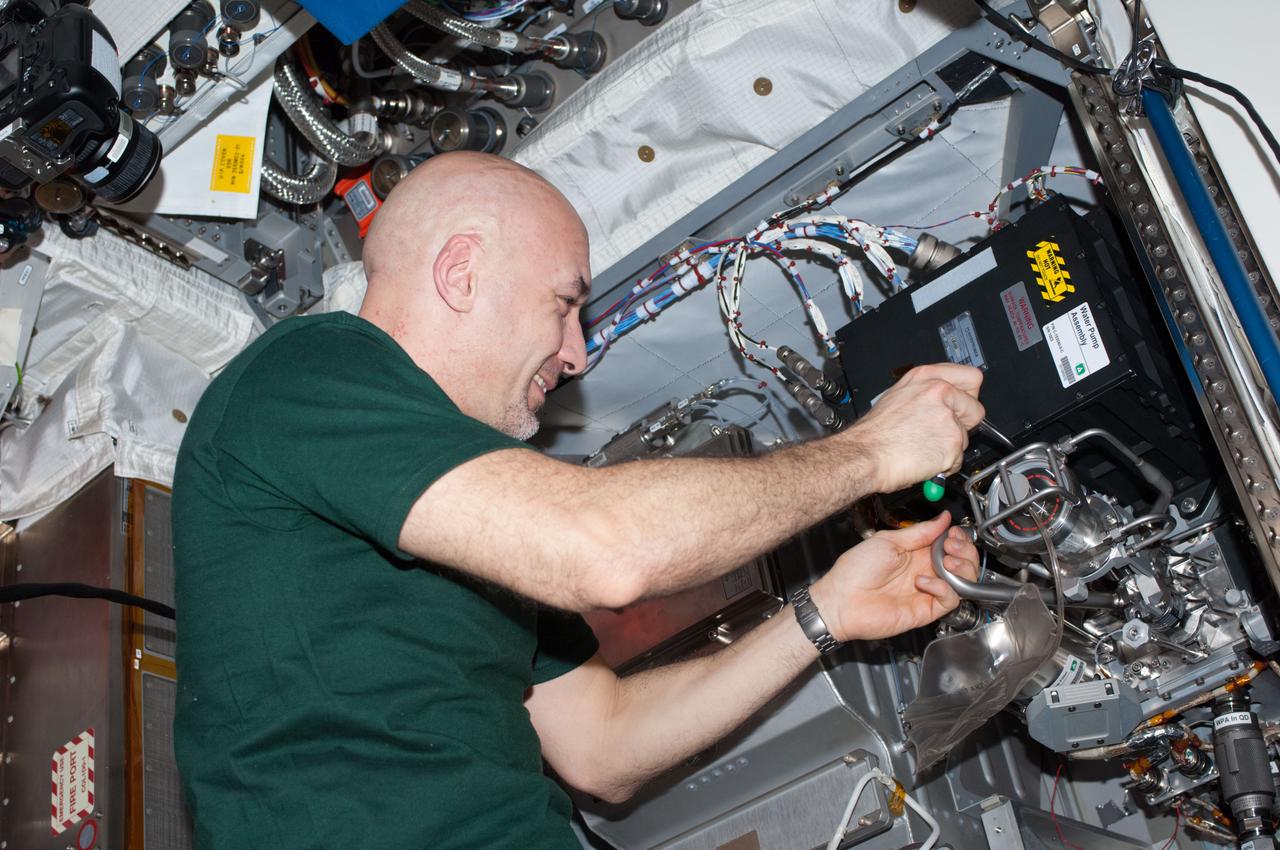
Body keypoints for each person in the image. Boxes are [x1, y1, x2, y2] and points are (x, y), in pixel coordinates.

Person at [171, 151, 984, 849]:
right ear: (461, 273)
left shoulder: (473, 526)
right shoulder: (306, 373)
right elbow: (608, 551)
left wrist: (827, 610)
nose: (578, 351)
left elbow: (605, 747)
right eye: (565, 304)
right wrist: (872, 450)